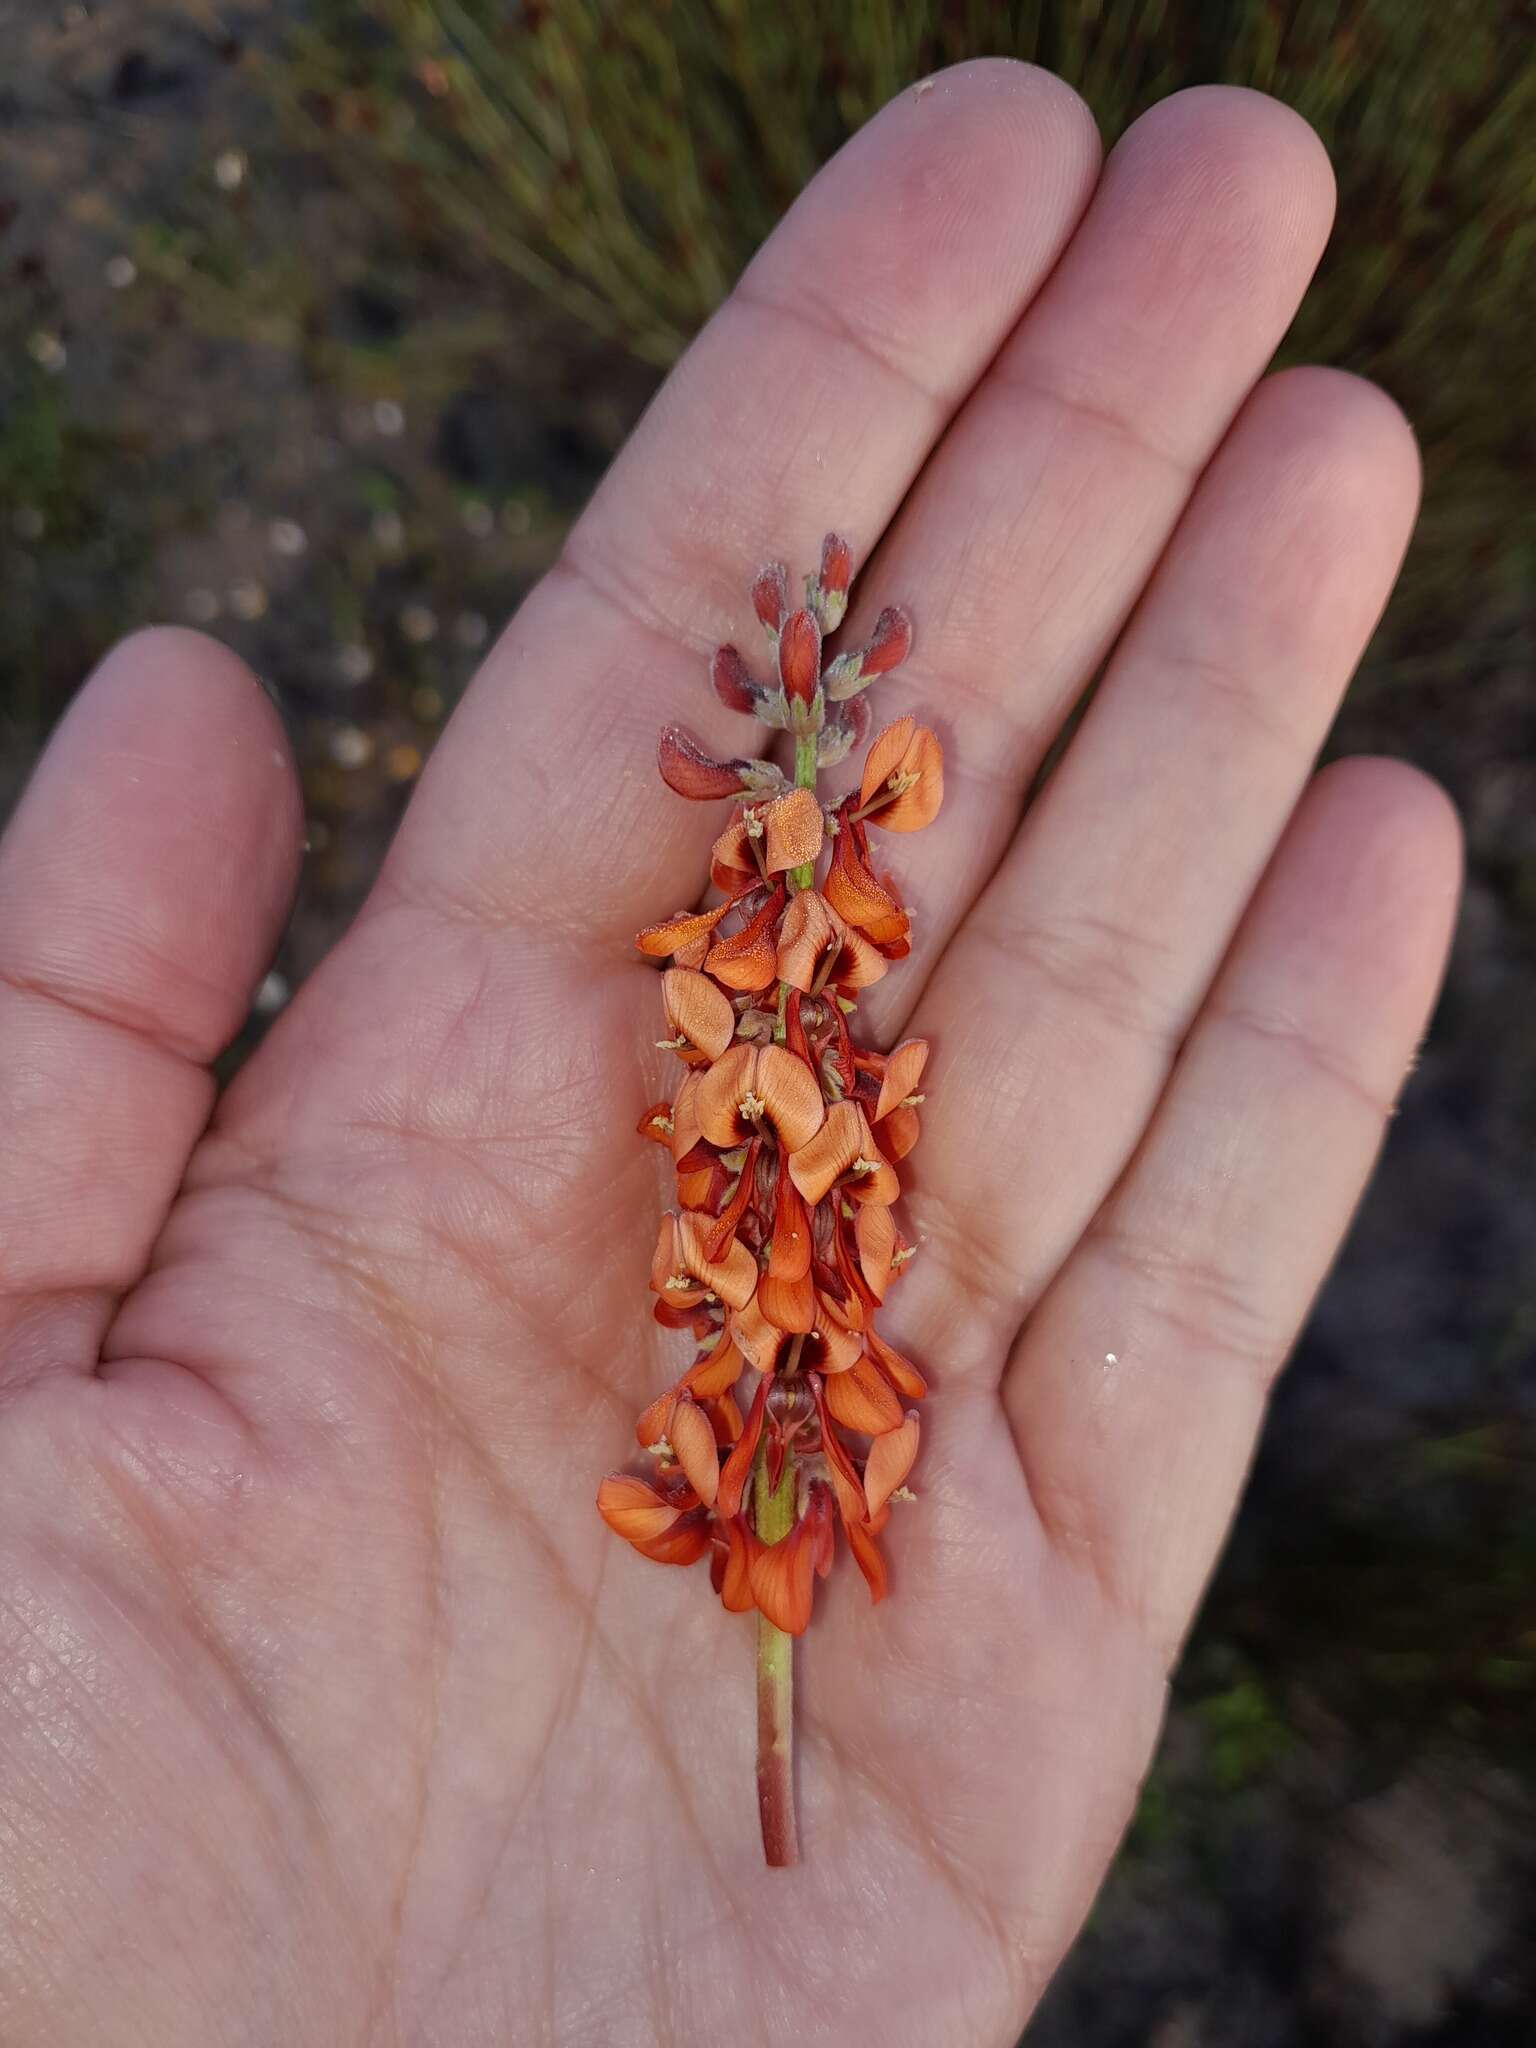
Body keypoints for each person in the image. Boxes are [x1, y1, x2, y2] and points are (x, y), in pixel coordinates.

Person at [0, 62, 1459, 2047]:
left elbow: (790, 1136)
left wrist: (795, 1218)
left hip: (791, 1279)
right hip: (774, 1272)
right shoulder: (758, 1072)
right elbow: (758, 1132)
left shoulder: (801, 1080)